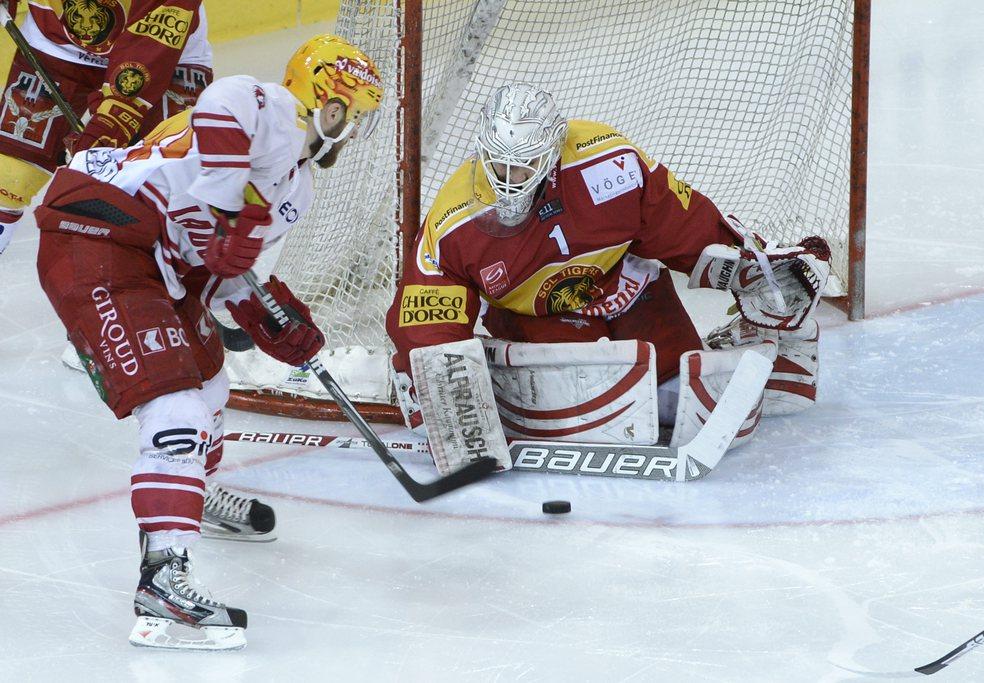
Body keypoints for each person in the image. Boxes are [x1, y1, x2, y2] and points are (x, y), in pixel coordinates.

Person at [33, 34, 383, 650]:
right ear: (322, 100)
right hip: (97, 236)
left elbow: (229, 281)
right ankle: (162, 585)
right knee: (176, 407)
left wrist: (274, 319)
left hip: (160, 264)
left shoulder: (295, 190)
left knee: (213, 381)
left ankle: (192, 490)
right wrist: (226, 209)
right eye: (349, 112)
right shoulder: (271, 111)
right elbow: (219, 102)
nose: (352, 130)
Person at [385, 82, 831, 475]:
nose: (509, 179)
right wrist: (433, 383)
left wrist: (751, 268)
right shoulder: (455, 219)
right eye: (498, 164)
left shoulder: (606, 161)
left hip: (630, 292)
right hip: (540, 318)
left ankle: (753, 342)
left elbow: (678, 221)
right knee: (586, 407)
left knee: (682, 402)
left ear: (553, 150)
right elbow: (427, 310)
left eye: (524, 165)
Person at [0, 0, 213, 255]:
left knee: (169, 178)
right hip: (55, 45)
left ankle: (185, 275)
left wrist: (109, 125)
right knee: (10, 175)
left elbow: (146, 56)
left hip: (168, 52)